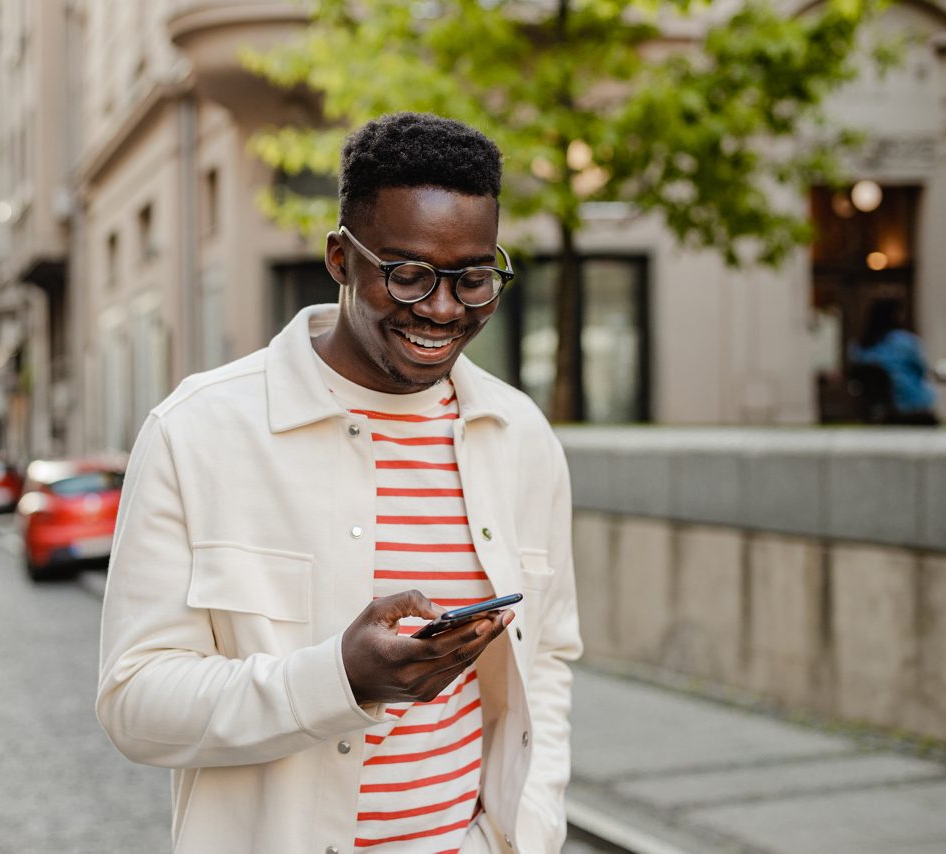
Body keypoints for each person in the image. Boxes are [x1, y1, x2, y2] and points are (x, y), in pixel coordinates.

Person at [97, 112, 582, 853]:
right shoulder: (196, 432)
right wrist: (339, 680)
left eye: (474, 278)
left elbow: (544, 662)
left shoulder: (521, 438)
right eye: (408, 273)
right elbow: (134, 703)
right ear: (338, 258)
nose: (444, 309)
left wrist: (523, 836)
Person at [849, 297, 938, 425]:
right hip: (911, 403)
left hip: (876, 408)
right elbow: (922, 370)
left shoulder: (859, 347)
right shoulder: (906, 342)